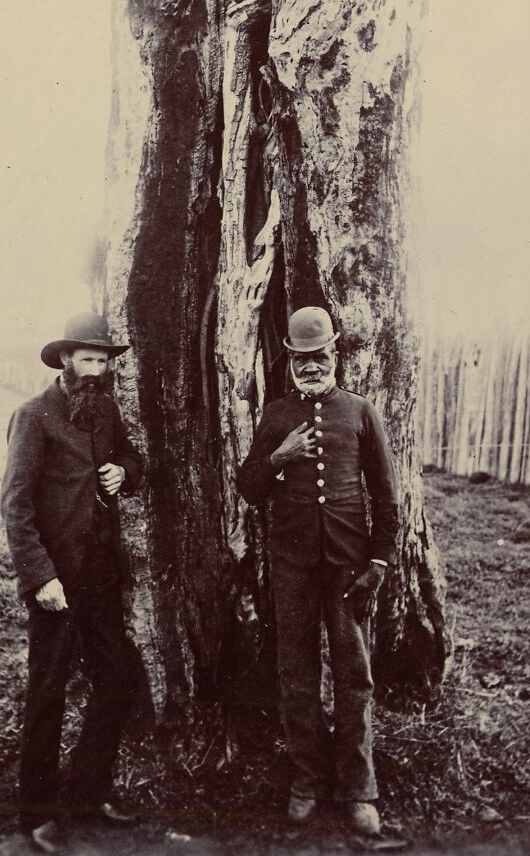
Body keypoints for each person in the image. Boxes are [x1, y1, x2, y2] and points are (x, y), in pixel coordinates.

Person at [238, 307, 399, 837]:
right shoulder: (277, 415)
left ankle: (358, 789)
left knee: (354, 675)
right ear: (290, 361)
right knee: (297, 673)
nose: (312, 366)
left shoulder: (359, 412)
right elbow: (249, 487)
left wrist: (378, 563)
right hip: (292, 567)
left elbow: (387, 497)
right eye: (302, 359)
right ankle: (307, 781)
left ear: (336, 356)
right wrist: (279, 457)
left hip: (350, 568)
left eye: (321, 356)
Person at [1, 311, 143, 853]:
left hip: (101, 577)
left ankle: (87, 793)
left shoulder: (105, 411)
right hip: (55, 583)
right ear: (65, 360)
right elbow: (16, 506)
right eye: (88, 359)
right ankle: (36, 814)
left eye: (104, 361)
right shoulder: (33, 416)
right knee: (48, 691)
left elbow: (133, 456)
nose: (97, 370)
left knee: (118, 677)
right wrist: (40, 576)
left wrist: (124, 472)